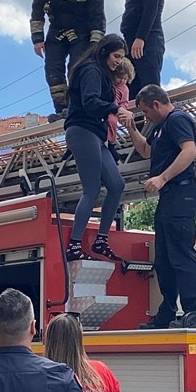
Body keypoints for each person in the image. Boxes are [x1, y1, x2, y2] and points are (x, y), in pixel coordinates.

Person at [126, 85, 196, 329]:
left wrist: (162, 178)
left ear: (157, 104)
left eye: (146, 112)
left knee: (181, 256)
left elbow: (190, 151)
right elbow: (146, 151)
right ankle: (167, 313)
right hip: (170, 197)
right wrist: (131, 129)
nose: (146, 117)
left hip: (181, 192)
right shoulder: (161, 128)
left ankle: (194, 314)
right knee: (164, 259)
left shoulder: (177, 119)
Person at [64, 34, 130, 263]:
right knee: (91, 189)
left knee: (116, 184)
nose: (118, 62)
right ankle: (74, 244)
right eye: (116, 56)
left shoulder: (99, 72)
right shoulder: (91, 71)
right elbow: (90, 102)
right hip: (83, 130)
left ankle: (101, 239)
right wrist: (116, 109)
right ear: (104, 52)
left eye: (121, 58)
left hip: (95, 134)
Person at [31, 0, 106, 120]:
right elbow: (37, 10)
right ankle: (61, 109)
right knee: (52, 69)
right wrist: (37, 39)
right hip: (57, 31)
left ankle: (75, 106)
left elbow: (98, 18)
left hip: (82, 34)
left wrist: (95, 45)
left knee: (77, 69)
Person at [121, 0, 165, 99]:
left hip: (148, 43)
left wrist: (141, 38)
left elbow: (150, 10)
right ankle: (138, 124)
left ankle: (157, 124)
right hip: (133, 45)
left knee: (150, 91)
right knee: (133, 93)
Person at [106, 58, 136, 158]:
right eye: (119, 77)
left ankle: (111, 143)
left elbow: (124, 102)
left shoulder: (125, 88)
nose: (122, 81)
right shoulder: (108, 84)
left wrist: (120, 109)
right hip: (105, 108)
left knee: (112, 121)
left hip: (114, 111)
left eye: (125, 79)